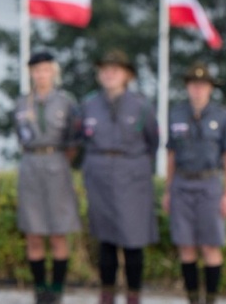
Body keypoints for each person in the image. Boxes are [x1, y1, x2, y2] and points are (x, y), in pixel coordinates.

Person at [80, 50, 158, 304]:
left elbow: (152, 142)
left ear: (127, 75)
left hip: (132, 176)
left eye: (116, 69)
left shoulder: (142, 105)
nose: (109, 73)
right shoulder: (89, 104)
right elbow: (80, 139)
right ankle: (107, 295)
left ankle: (133, 296)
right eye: (105, 68)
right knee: (106, 240)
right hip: (100, 175)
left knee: (133, 240)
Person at [163, 63, 226, 304]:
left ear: (210, 88)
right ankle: (192, 299)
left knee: (210, 246)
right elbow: (171, 154)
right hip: (182, 184)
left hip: (209, 185)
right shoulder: (176, 113)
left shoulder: (221, 115)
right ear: (187, 87)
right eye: (193, 84)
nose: (198, 89)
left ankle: (211, 299)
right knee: (186, 246)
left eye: (203, 85)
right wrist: (168, 190)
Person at [14, 51, 82, 304]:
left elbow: (74, 141)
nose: (41, 75)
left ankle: (56, 290)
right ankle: (40, 290)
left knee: (58, 231)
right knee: (33, 231)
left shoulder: (65, 102)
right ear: (31, 73)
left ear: (53, 72)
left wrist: (60, 161)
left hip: (57, 163)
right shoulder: (22, 103)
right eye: (36, 71)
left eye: (45, 70)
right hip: (31, 164)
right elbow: (19, 135)